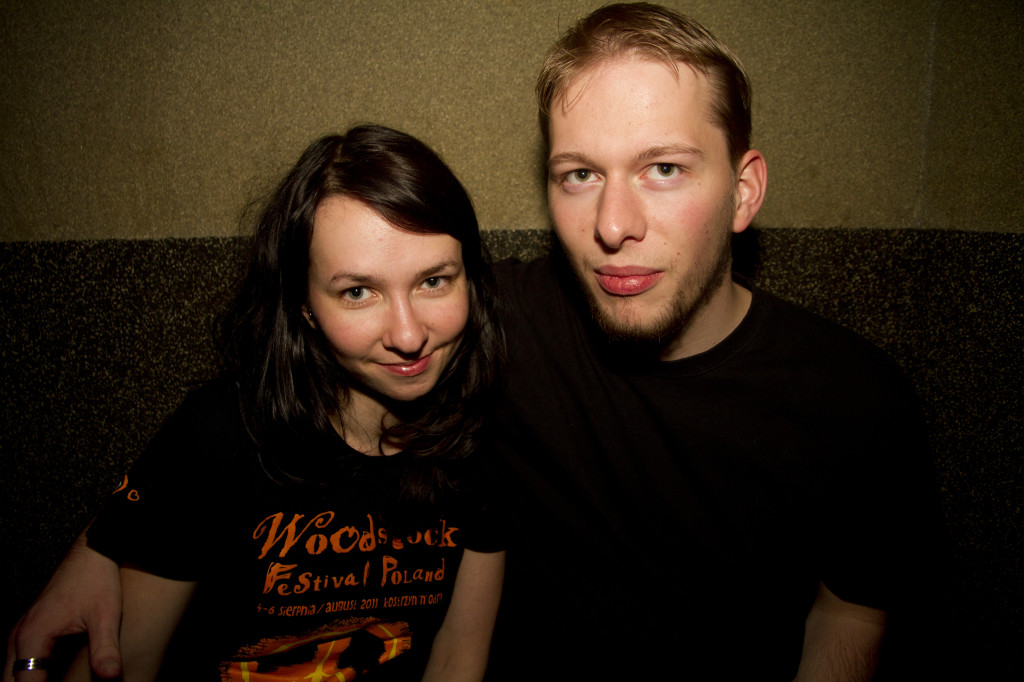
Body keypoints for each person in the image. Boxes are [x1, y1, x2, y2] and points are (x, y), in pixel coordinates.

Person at [8, 4, 939, 681]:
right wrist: (104, 541)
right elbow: (270, 394)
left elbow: (849, 614)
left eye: (663, 169)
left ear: (743, 190)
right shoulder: (484, 326)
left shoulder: (856, 400)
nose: (614, 223)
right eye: (579, 175)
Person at [13, 124, 506, 681]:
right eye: (357, 292)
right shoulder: (220, 435)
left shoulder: (482, 437)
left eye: (434, 281)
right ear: (303, 304)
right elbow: (123, 662)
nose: (409, 335)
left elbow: (457, 656)